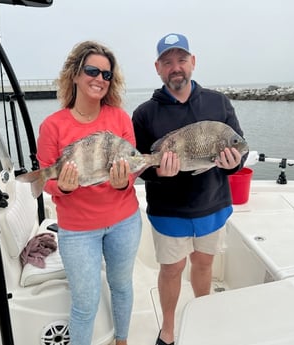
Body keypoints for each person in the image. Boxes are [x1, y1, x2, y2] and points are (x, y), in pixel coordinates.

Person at [132, 33, 246, 345]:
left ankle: (202, 313)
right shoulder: (144, 113)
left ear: (193, 62)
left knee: (204, 263)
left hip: (213, 204)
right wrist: (160, 172)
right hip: (169, 212)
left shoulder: (218, 102)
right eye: (167, 62)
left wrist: (233, 163)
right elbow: (142, 165)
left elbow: (241, 149)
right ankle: (168, 329)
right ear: (158, 68)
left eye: (181, 60)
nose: (176, 67)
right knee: (171, 270)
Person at [36, 40, 142, 345]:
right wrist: (63, 187)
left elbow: (131, 168)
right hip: (78, 230)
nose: (99, 79)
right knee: (85, 303)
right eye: (92, 71)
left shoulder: (120, 118)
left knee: (121, 286)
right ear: (75, 74)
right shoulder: (52, 126)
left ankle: (121, 340)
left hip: (124, 221)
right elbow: (47, 179)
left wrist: (125, 180)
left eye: (106, 75)